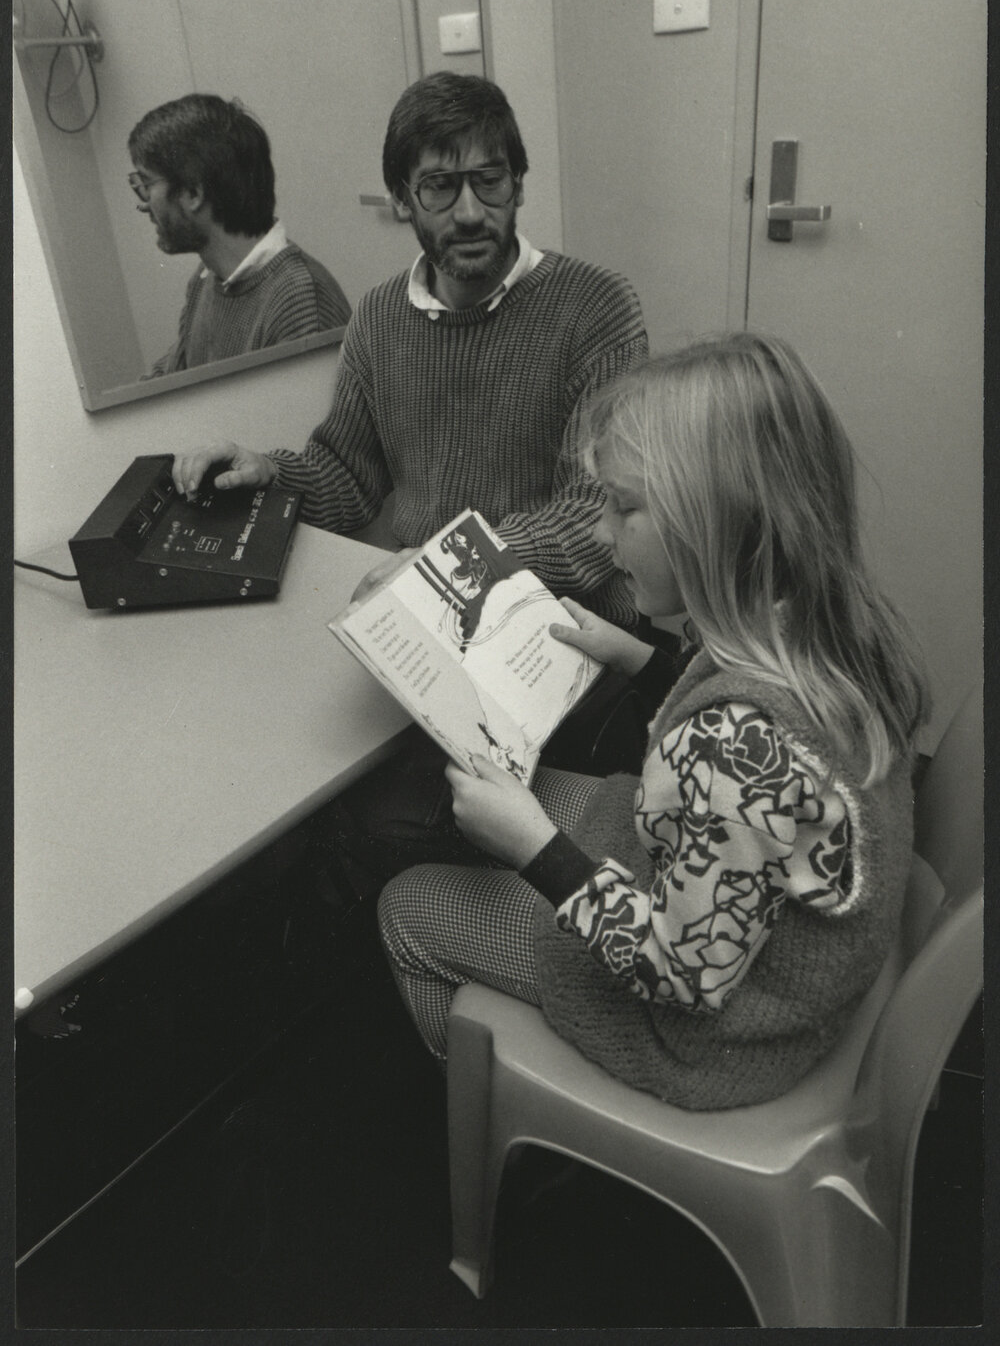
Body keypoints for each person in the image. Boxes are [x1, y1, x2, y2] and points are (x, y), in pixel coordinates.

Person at [377, 332, 930, 1110]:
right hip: (766, 944)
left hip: (712, 1034)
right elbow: (755, 789)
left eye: (623, 506)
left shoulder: (739, 744)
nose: (600, 534)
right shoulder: (823, 621)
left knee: (407, 908)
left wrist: (535, 850)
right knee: (534, 804)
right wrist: (640, 658)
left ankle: (500, 1115)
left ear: (717, 523)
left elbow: (684, 972)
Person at [171, 72, 650, 887]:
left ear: (518, 185)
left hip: (559, 625)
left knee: (376, 813)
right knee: (287, 746)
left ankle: (411, 925)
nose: (469, 211)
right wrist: (267, 472)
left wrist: (447, 566)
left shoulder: (594, 307)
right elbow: (348, 475)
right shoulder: (381, 317)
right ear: (402, 199)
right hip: (426, 623)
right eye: (439, 185)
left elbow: (588, 519)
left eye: (488, 180)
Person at [128, 94, 350, 378]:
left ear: (193, 194)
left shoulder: (302, 303)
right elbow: (174, 381)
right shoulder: (206, 277)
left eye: (146, 184)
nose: (143, 203)